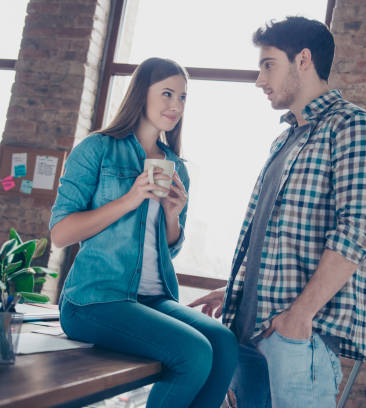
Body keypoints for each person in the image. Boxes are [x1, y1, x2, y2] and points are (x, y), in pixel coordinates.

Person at [189, 17, 366, 407]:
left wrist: (299, 316)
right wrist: (236, 291)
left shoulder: (355, 126)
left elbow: (357, 232)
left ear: (302, 60)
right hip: (248, 336)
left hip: (297, 339)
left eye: (268, 65)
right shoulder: (285, 139)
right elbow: (268, 235)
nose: (259, 80)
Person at [50, 57, 238, 408]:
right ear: (141, 93)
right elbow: (61, 234)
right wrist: (130, 199)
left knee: (224, 344)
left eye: (183, 97)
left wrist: (172, 217)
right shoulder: (97, 149)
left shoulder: (175, 165)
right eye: (167, 93)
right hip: (95, 298)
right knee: (194, 352)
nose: (175, 105)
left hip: (153, 298)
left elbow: (167, 250)